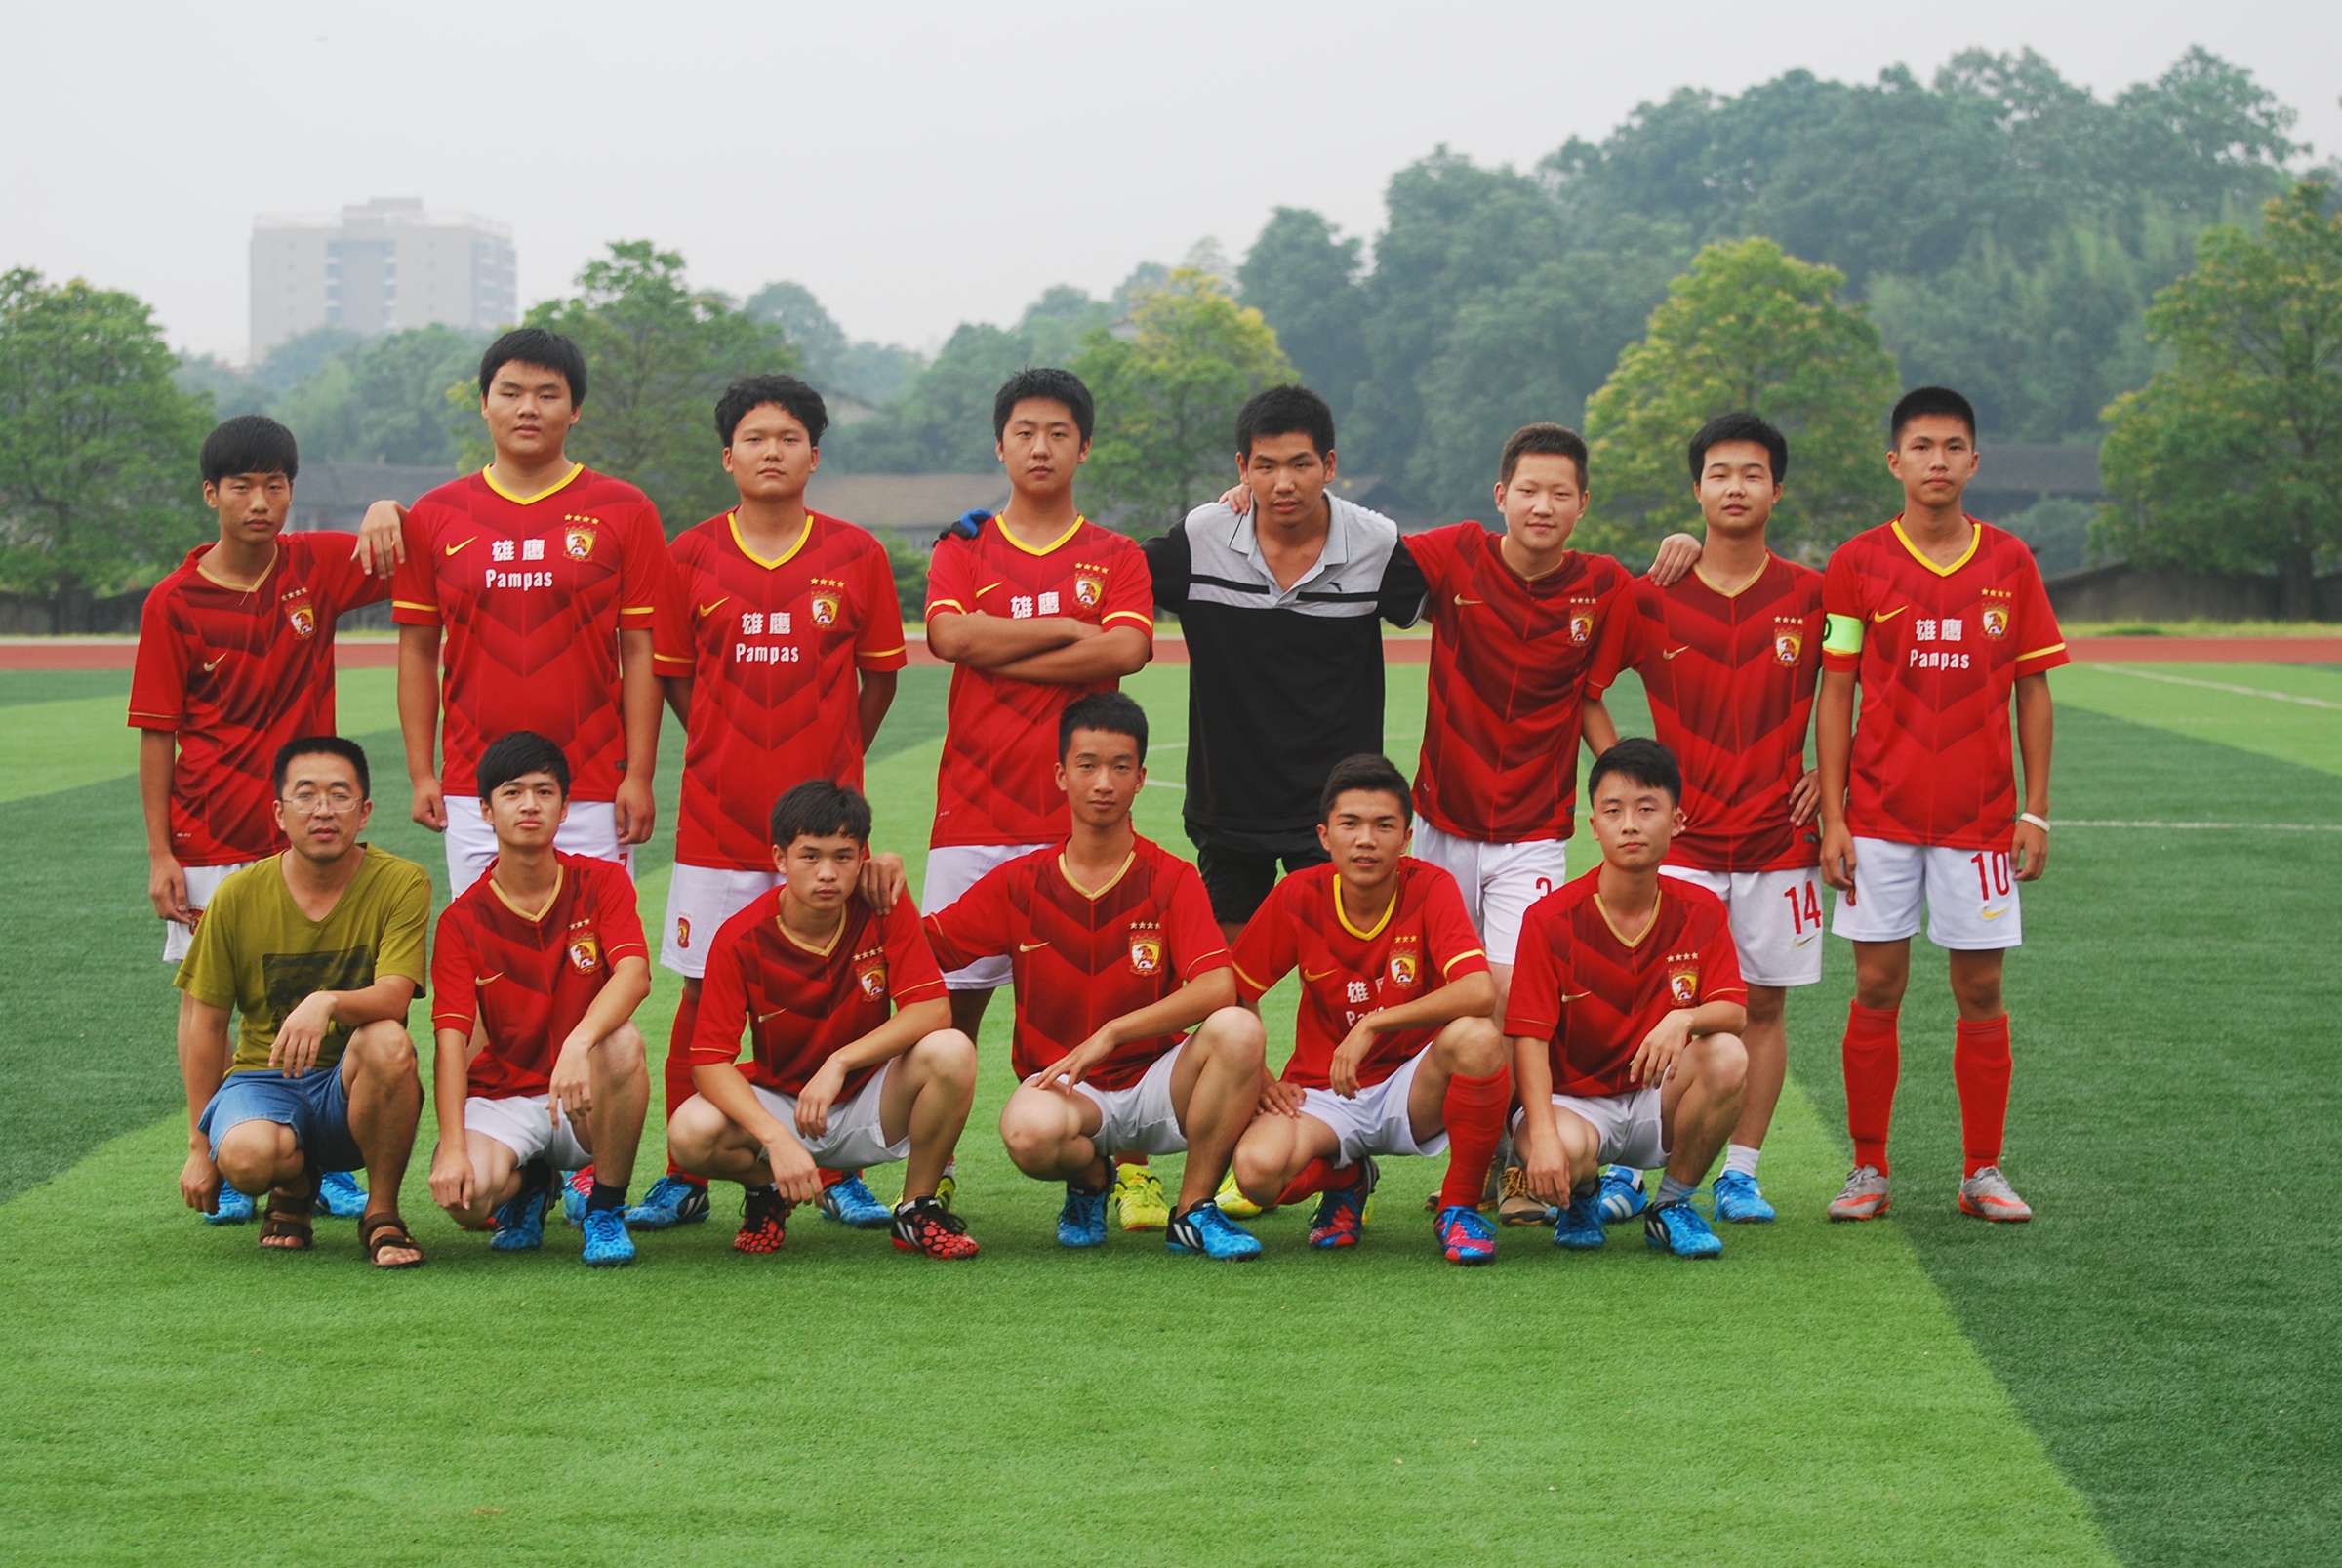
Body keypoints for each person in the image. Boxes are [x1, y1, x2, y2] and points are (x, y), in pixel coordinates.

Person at [626, 373, 908, 1234]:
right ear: (728, 457)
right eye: (755, 438)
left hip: (827, 830)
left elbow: (879, 681)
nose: (772, 452)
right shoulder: (688, 555)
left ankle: (840, 1166)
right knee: (700, 996)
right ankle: (683, 1173)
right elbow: (676, 678)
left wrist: (833, 763)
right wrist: (723, 746)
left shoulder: (857, 554)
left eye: (789, 438)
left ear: (814, 456)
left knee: (839, 993)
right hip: (718, 823)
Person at [134, 414, 396, 1224]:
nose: (259, 501)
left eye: (274, 485)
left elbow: (415, 547)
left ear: (290, 491)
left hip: (313, 825)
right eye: (241, 485)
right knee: (206, 999)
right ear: (211, 494)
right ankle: (211, 1140)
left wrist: (386, 506)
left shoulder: (316, 565)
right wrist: (160, 852)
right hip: (209, 830)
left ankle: (322, 1151)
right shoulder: (174, 602)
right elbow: (157, 733)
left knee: (323, 984)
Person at [1815, 386, 2067, 1224]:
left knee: (1981, 988)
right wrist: (1835, 815)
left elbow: (2033, 688)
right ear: (1895, 461)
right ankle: (1868, 1167)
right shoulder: (1857, 562)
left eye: (1953, 447)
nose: (1937, 461)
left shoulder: (2010, 561)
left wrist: (2036, 810)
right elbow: (1836, 689)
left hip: (1981, 821)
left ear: (1974, 462)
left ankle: (1982, 1170)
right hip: (1879, 818)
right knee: (1876, 982)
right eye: (1921, 447)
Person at [922, 367, 1155, 1226]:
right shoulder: (964, 545)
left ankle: (1120, 1170)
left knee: (1109, 1002)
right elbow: (950, 635)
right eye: (1024, 431)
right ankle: (934, 1172)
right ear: (1000, 445)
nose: (1041, 446)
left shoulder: (1116, 554)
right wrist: (1064, 629)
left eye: (1059, 432)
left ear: (1084, 447)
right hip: (973, 813)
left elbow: (1126, 651)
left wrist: (1001, 646)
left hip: (1080, 823)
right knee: (949, 1010)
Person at [1583, 412, 1824, 1226]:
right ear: (1697, 489)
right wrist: (1636, 795)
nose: (1735, 487)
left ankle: (1740, 1172)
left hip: (1779, 841)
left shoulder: (1811, 594)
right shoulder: (1653, 594)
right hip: (1678, 849)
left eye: (1752, 473)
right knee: (1657, 1005)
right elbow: (1587, 691)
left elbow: (1876, 685)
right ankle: (1629, 1168)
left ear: (1776, 490)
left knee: (1763, 1005)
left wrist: (1832, 771)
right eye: (1720, 473)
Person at [923, 692, 1264, 1259]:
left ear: (1140, 779)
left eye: (1120, 767)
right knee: (1027, 1134)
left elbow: (1216, 986)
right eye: (1087, 766)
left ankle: (1193, 1210)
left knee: (1240, 1029)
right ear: (1061, 775)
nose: (1103, 782)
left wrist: (1113, 1032)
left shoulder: (1171, 877)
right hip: (1067, 1088)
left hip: (1158, 1085)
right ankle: (1091, 1181)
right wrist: (870, 892)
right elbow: (930, 945)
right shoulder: (1020, 882)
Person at [380, 327, 669, 894]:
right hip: (475, 789)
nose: (528, 408)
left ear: (575, 409)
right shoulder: (437, 514)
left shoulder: (626, 509)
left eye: (547, 394)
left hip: (592, 786)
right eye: (510, 393)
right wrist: (421, 773)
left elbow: (641, 650)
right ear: (484, 404)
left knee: (593, 942)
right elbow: (416, 650)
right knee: (486, 941)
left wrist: (638, 775)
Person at [669, 781, 981, 1261]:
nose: (828, 873)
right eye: (810, 857)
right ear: (780, 859)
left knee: (953, 1049)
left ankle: (917, 1209)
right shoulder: (739, 939)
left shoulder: (883, 907)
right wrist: (775, 1139)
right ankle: (767, 1191)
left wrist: (840, 1062)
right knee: (689, 1132)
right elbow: (709, 1062)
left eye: (843, 857)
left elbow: (932, 1008)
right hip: (784, 1107)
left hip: (870, 1100)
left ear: (862, 858)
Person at [1222, 754, 1512, 1266]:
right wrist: (1262, 1076)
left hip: (1412, 1086)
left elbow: (1478, 991)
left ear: (1406, 838)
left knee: (1479, 1037)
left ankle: (1459, 1207)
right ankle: (1348, 1178)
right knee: (1256, 1174)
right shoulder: (1298, 894)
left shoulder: (1431, 887)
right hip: (1324, 1088)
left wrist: (1374, 1023)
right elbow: (1233, 990)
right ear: (1324, 835)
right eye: (1350, 824)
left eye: (1383, 826)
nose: (1366, 840)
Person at [175, 737, 431, 1267]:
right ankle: (294, 1184)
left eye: (339, 795)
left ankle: (382, 1212)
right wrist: (200, 1148)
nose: (323, 810)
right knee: (245, 1159)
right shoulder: (237, 896)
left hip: (351, 1088)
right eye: (306, 795)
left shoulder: (401, 881)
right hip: (262, 1080)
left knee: (388, 1039)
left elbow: (395, 996)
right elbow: (205, 1024)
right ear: (279, 812)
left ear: (364, 812)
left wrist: (326, 1002)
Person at [1508, 739, 1751, 1260]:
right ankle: (1581, 1198)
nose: (1630, 825)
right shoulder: (1549, 919)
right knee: (1561, 1151)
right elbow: (1528, 1037)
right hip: (1573, 1105)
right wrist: (1543, 1135)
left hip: (1653, 1099)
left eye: (1646, 809)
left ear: (1677, 821)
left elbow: (1734, 1012)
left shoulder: (1702, 909)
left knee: (1727, 1054)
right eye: (1613, 811)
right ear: (1593, 825)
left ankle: (1671, 1205)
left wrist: (1683, 1019)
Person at [425, 731, 653, 1266]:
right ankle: (532, 1182)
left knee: (621, 1042)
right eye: (513, 793)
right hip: (504, 1096)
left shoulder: (601, 881)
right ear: (485, 810)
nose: (529, 805)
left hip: (581, 1093)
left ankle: (605, 1208)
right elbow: (450, 1040)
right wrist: (452, 1148)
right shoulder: (461, 921)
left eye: (544, 792)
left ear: (564, 807)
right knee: (467, 1200)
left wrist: (578, 1044)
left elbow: (635, 975)